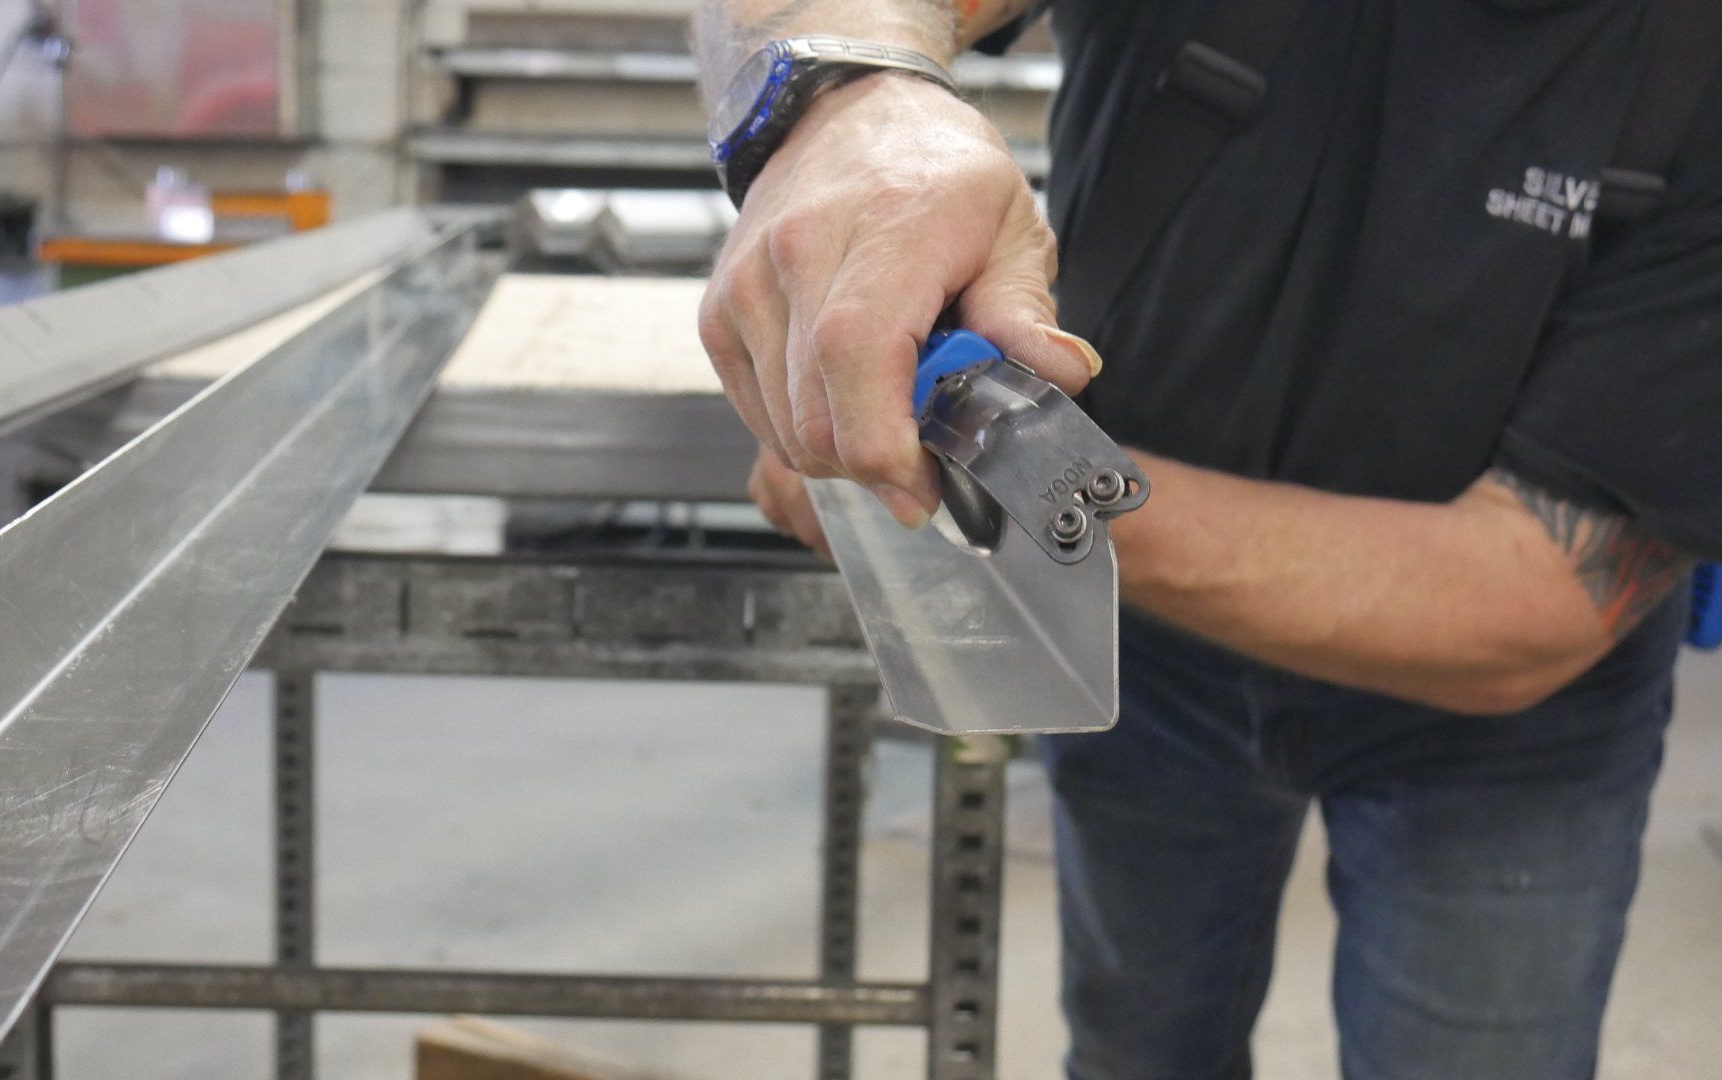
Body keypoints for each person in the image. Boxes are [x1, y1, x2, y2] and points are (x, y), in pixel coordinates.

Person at [689, 1, 1722, 1077]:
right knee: (1141, 1045)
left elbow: (1529, 601)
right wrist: (851, 97)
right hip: (1146, 664)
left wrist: (1008, 473)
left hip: (1508, 740)